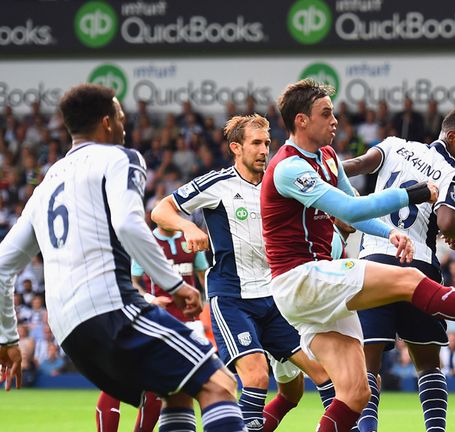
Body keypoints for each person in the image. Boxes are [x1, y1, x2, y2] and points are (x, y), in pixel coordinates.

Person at [261, 79, 455, 432]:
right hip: (300, 278)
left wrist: (390, 231)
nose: (335, 120)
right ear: (301, 121)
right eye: (326, 114)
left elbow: (355, 206)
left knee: (355, 393)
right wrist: (412, 194)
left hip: (318, 286)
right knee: (411, 281)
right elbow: (349, 209)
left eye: (334, 113)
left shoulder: (327, 157)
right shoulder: (288, 167)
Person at [0, 84, 245, 432]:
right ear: (106, 122)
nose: (124, 121)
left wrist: (7, 338)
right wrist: (174, 285)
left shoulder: (45, 185)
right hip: (112, 311)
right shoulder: (119, 157)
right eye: (119, 114)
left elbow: (2, 266)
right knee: (218, 382)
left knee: (175, 391)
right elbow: (129, 224)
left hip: (71, 333)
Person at [151, 113, 334, 432]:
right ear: (236, 147)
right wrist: (186, 227)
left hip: (275, 297)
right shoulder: (216, 184)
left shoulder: (277, 183)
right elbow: (160, 210)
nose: (264, 150)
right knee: (256, 376)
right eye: (256, 143)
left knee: (324, 374)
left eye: (267, 143)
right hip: (232, 297)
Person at [341, 107, 455, 431]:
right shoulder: (453, 169)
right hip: (418, 269)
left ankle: (367, 428)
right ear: (452, 137)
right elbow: (447, 221)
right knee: (427, 364)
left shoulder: (394, 145)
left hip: (374, 263)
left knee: (369, 362)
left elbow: (352, 167)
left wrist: (321, 184)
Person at [95, 226, 210, 432]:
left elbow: (203, 276)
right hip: (149, 321)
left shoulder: (189, 238)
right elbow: (132, 282)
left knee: (167, 390)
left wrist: (210, 305)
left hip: (186, 324)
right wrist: (150, 299)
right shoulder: (143, 240)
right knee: (116, 381)